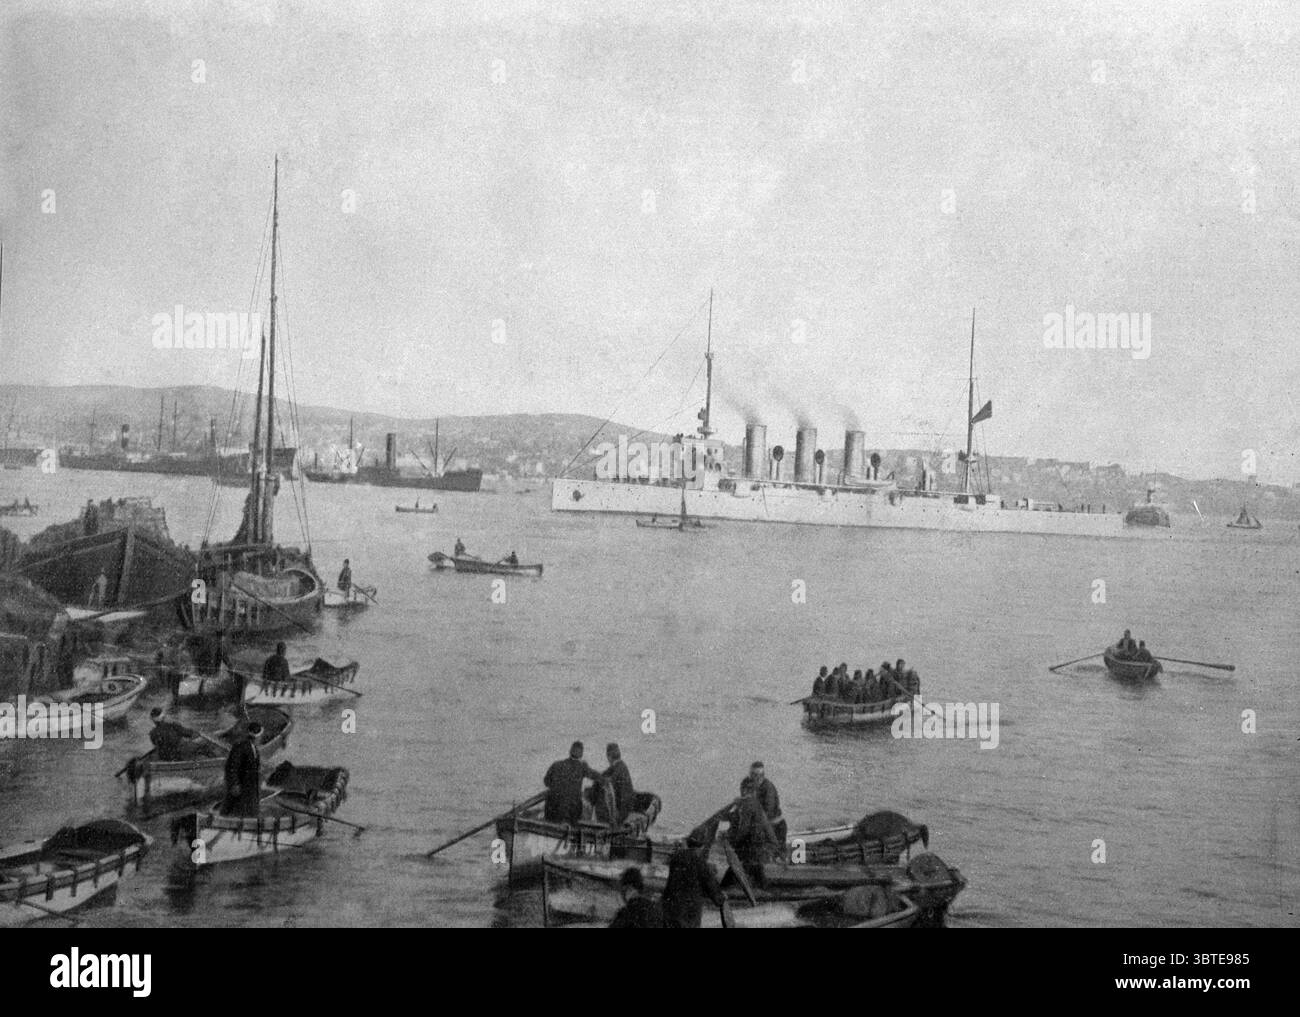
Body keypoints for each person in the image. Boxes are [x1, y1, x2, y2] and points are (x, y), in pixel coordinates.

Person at [662, 824, 730, 928]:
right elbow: (711, 885)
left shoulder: (675, 858)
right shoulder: (700, 863)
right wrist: (720, 898)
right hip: (689, 912)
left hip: (670, 907)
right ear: (702, 845)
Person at [543, 741, 604, 825]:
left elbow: (546, 782)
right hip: (571, 815)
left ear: (570, 751)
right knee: (578, 804)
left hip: (551, 812)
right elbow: (597, 776)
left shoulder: (556, 764)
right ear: (581, 754)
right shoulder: (582, 767)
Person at [740, 761, 786, 847]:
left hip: (773, 825)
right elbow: (745, 804)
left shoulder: (768, 788)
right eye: (753, 775)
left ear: (763, 775)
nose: (757, 778)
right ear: (750, 774)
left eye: (760, 775)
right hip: (755, 819)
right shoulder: (745, 783)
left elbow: (768, 812)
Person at [221, 721, 262, 817]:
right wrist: (234, 784)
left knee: (249, 811)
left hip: (250, 788)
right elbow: (231, 767)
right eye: (260, 736)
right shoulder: (240, 747)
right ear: (257, 736)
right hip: (241, 787)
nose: (261, 738)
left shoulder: (254, 749)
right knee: (236, 810)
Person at [600, 743, 636, 826]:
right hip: (626, 805)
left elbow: (609, 781)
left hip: (623, 810)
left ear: (608, 757)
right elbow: (605, 774)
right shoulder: (620, 765)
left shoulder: (618, 769)